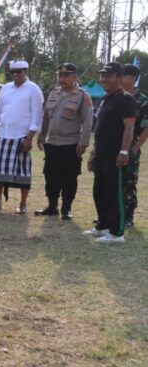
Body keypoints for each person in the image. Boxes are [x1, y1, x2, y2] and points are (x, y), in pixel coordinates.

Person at [83, 62, 136, 243]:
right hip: (101, 154)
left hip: (115, 155)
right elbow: (101, 130)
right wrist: (93, 153)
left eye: (108, 75)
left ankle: (117, 232)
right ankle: (103, 226)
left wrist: (124, 151)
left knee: (115, 193)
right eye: (102, 75)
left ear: (120, 78)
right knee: (100, 191)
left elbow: (129, 128)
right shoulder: (106, 99)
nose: (103, 79)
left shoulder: (126, 99)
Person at [36, 63, 93, 220]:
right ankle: (52, 206)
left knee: (69, 177)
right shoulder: (54, 93)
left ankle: (66, 208)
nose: (62, 78)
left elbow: (88, 121)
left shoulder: (82, 95)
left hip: (71, 144)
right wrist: (42, 134)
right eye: (60, 75)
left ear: (75, 77)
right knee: (50, 176)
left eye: (66, 75)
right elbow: (46, 116)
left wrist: (84, 142)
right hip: (52, 143)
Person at [0, 60, 44, 214]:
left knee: (22, 173)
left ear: (26, 71)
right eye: (13, 72)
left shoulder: (34, 90)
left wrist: (30, 137)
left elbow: (37, 117)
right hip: (3, 136)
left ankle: (23, 204)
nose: (16, 75)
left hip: (22, 137)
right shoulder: (6, 88)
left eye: (19, 72)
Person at [121, 64, 148, 226]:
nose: (118, 79)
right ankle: (114, 214)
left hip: (131, 147)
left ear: (131, 78)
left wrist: (134, 149)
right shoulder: (118, 97)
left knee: (129, 181)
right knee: (114, 181)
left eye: (121, 76)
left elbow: (146, 128)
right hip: (115, 146)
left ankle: (128, 216)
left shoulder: (142, 101)